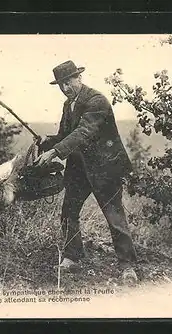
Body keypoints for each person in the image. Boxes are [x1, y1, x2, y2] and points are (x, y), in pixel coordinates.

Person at [34, 60, 139, 284]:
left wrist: (53, 153)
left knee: (114, 217)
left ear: (79, 78)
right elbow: (66, 134)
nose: (64, 88)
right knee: (68, 212)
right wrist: (48, 141)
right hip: (79, 169)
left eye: (68, 82)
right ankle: (73, 257)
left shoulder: (97, 101)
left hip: (105, 169)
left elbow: (83, 133)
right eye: (61, 85)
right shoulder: (68, 105)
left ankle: (128, 267)